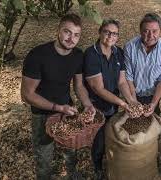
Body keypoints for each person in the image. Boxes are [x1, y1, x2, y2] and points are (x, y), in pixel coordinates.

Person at [21, 13, 95, 180]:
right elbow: (27, 95)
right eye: (67, 32)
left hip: (67, 109)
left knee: (71, 146)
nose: (71, 39)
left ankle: (72, 173)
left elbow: (78, 85)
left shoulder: (77, 55)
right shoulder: (37, 55)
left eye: (76, 35)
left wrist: (87, 103)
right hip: (42, 114)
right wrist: (57, 108)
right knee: (44, 154)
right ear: (58, 30)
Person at [83, 19, 136, 180]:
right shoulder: (91, 54)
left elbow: (121, 81)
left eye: (114, 33)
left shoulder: (118, 52)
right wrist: (122, 103)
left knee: (112, 135)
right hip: (96, 106)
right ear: (100, 32)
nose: (110, 36)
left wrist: (131, 100)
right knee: (98, 140)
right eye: (107, 31)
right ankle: (98, 166)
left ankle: (111, 161)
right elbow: (97, 88)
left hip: (113, 105)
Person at [124, 13, 161, 116]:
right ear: (140, 31)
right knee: (133, 126)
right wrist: (133, 101)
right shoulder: (130, 47)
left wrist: (153, 104)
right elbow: (128, 77)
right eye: (146, 31)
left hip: (155, 95)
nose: (150, 36)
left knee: (152, 126)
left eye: (154, 31)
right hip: (133, 93)